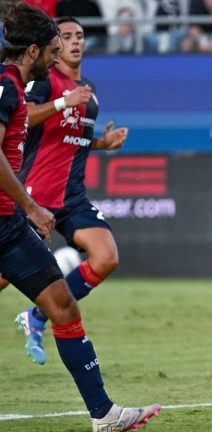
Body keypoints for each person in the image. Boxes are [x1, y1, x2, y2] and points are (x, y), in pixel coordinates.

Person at [0, 3, 159, 431]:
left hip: (13, 222)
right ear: (33, 50)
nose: (60, 55)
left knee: (63, 306)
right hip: (18, 211)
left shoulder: (34, 85)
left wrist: (101, 144)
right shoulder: (9, 86)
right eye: (54, 48)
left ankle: (104, 415)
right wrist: (31, 206)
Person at [0, 15, 129, 367]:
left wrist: (102, 143)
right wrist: (62, 102)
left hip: (71, 196)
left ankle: (36, 317)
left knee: (106, 257)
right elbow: (23, 116)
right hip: (35, 192)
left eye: (80, 36)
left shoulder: (88, 90)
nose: (74, 42)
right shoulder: (43, 82)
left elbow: (72, 138)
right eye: (66, 36)